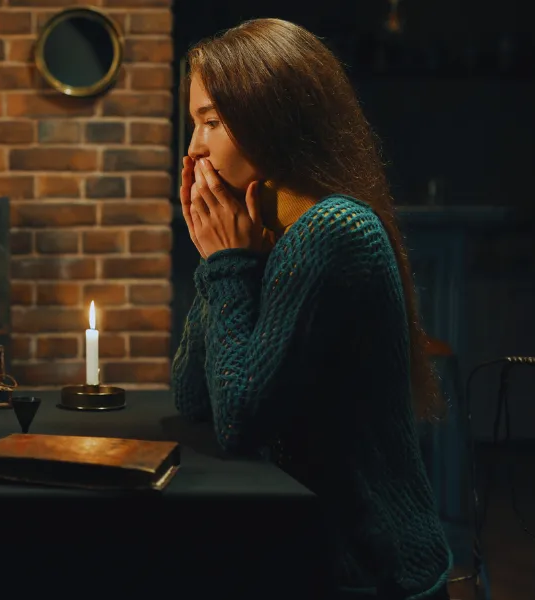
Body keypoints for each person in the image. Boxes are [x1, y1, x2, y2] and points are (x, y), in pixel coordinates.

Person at [171, 19, 452, 600]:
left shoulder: (333, 229)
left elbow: (239, 422)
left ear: (270, 116)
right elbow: (194, 397)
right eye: (196, 123)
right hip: (309, 551)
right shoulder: (273, 225)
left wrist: (226, 263)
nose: (194, 146)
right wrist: (218, 255)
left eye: (211, 122)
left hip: (369, 566)